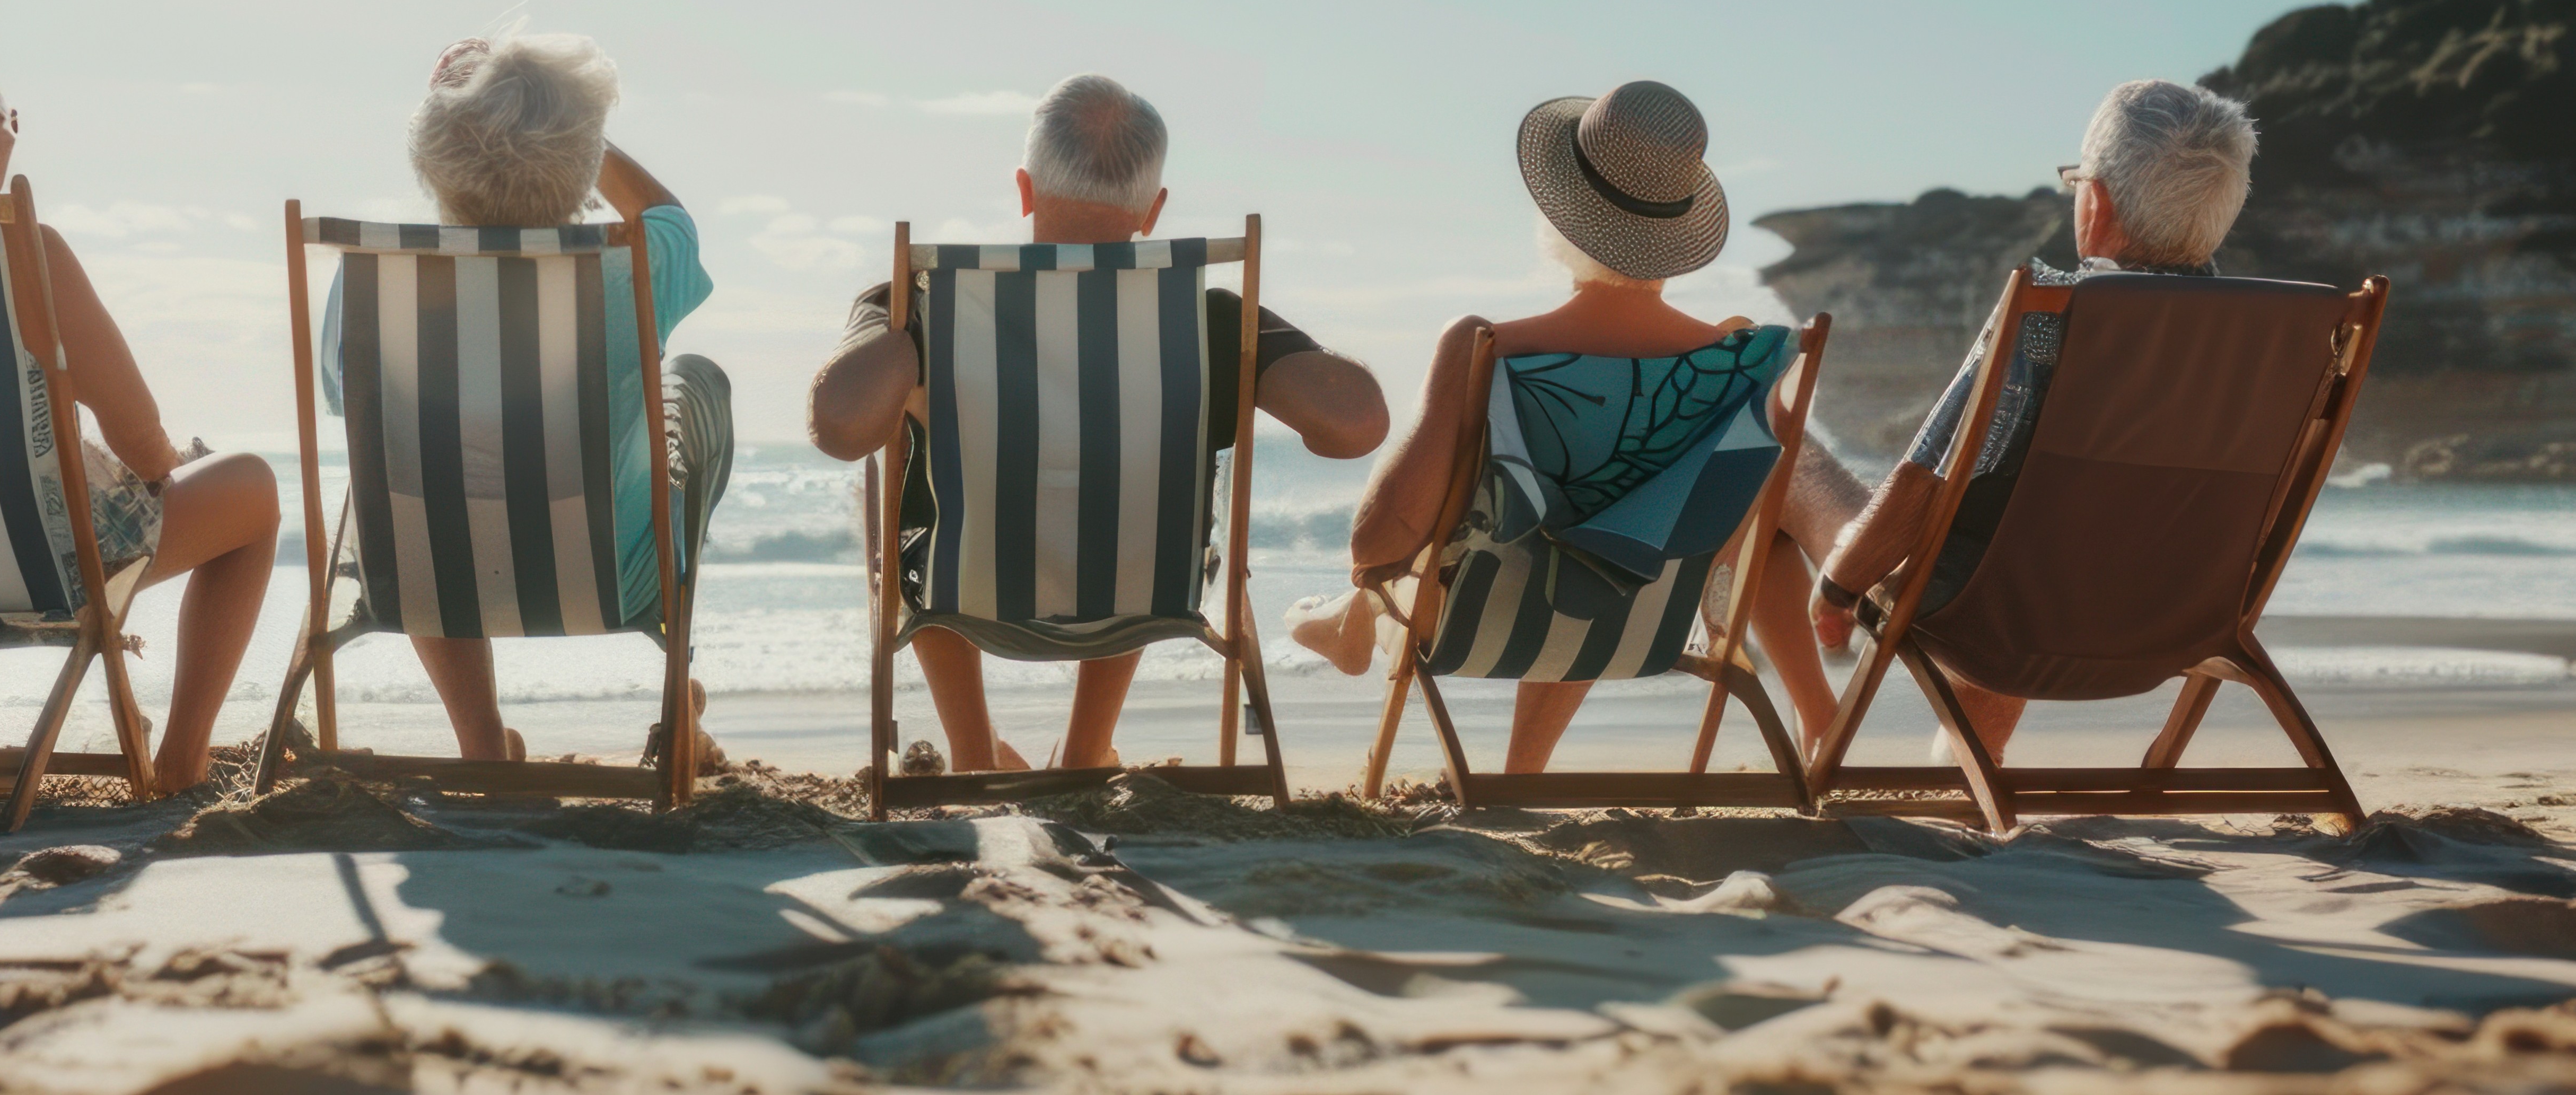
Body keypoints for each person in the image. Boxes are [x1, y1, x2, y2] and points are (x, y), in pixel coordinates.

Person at [807, 75, 1388, 772]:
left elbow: (840, 428)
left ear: (1023, 190)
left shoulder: (926, 307)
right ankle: (1086, 750)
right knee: (1142, 493)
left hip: (960, 594)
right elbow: (1355, 424)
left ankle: (973, 751)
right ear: (1154, 209)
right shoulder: (1207, 322)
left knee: (900, 485)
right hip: (1149, 594)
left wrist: (897, 336)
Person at [1291, 80, 1830, 772]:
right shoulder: (1742, 367)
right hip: (1642, 626)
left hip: (1476, 623)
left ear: (1561, 215)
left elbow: (1377, 542)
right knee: (1602, 542)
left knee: (1464, 543)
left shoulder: (1487, 347)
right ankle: (1518, 770)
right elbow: (1728, 540)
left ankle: (1348, 620)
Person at [0, 26, 282, 792]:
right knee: (254, 489)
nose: (15, 137)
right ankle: (181, 761)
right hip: (35, 563)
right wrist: (170, 466)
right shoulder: (28, 254)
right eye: (9, 123)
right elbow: (136, 439)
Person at [1791, 78, 2264, 757]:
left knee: (1788, 457)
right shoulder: (2270, 336)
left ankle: (1815, 727)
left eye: (2076, 183)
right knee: (2022, 535)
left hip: (2002, 624)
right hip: (2171, 627)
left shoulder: (2049, 316)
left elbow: (1921, 482)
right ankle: (1961, 765)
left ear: (2095, 203)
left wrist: (1838, 587)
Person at [320, 32, 730, 763]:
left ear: (431, 158)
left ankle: (480, 739)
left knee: (415, 479)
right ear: (587, 156)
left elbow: (343, 405)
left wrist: (480, 118)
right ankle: (677, 695)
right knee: (697, 380)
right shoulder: (632, 270)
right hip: (609, 573)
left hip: (419, 575)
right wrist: (571, 126)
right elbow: (671, 217)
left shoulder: (370, 288)